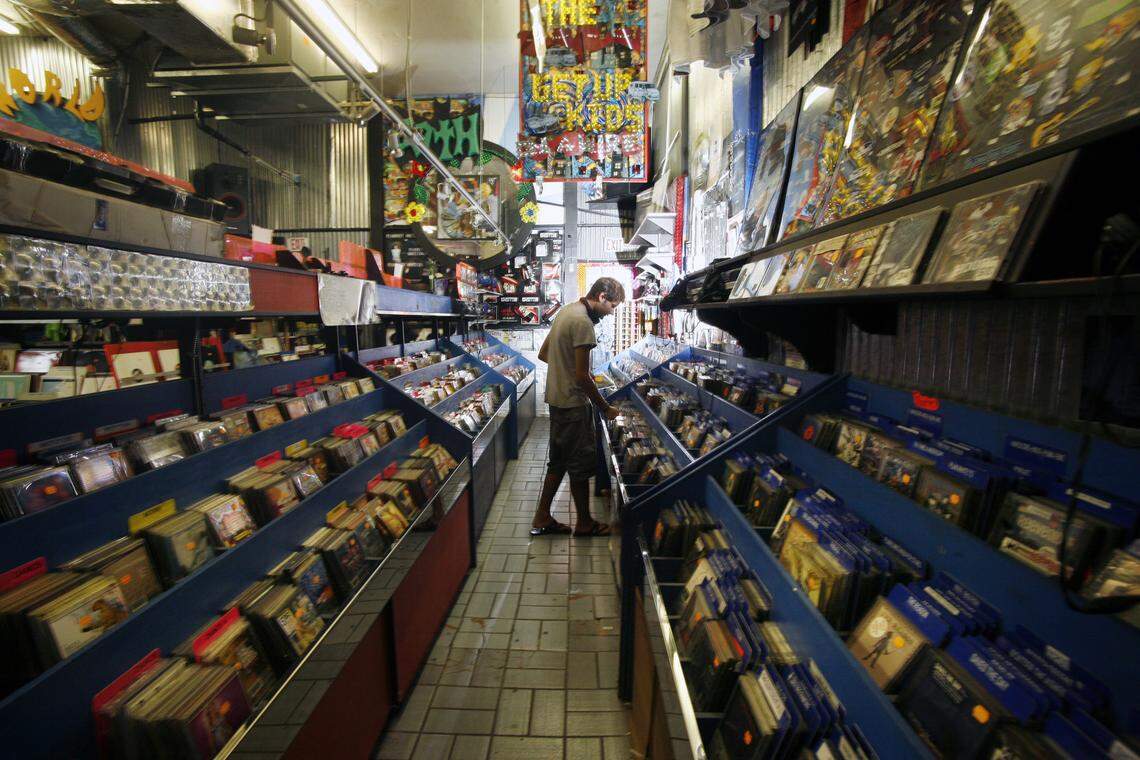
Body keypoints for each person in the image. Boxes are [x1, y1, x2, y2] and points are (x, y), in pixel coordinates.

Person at [531, 277, 625, 537]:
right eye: (613, 306)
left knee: (558, 462)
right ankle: (584, 523)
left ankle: (542, 517)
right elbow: (583, 376)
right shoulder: (584, 322)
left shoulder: (567, 311)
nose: (612, 312)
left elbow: (544, 353)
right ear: (602, 296)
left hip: (557, 400)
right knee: (580, 466)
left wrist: (564, 367)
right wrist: (605, 407)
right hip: (573, 404)